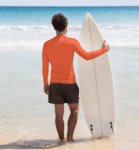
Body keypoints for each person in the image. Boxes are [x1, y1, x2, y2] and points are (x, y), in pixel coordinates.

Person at [42, 13, 110, 144]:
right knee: (75, 111)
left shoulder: (46, 44)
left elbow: (45, 67)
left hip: (55, 85)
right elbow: (86, 56)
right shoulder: (72, 42)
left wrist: (46, 84)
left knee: (58, 114)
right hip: (70, 84)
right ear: (66, 26)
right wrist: (104, 50)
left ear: (53, 28)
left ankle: (61, 140)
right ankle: (69, 138)